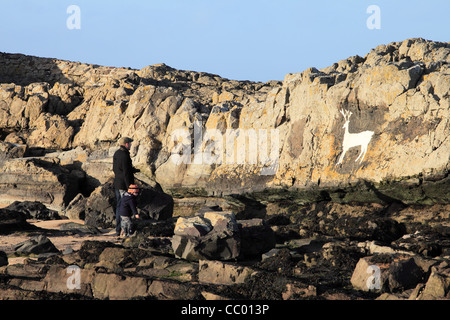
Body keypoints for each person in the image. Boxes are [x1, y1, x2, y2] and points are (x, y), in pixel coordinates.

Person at [113, 137, 139, 236]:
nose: (131, 145)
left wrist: (133, 170)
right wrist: (130, 187)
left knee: (119, 206)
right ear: (126, 144)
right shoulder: (124, 155)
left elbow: (117, 169)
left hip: (117, 183)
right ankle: (122, 231)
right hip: (123, 185)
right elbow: (126, 173)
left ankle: (118, 229)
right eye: (130, 144)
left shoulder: (117, 153)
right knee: (124, 208)